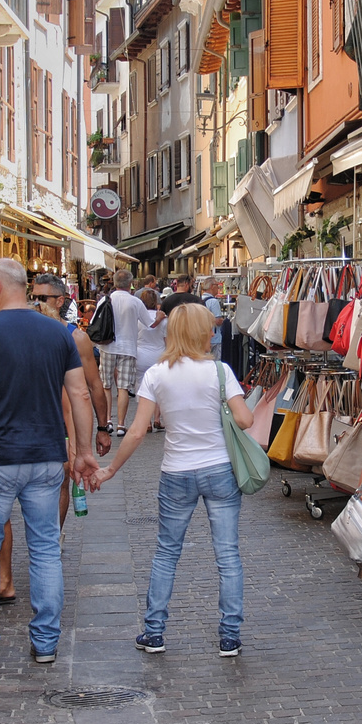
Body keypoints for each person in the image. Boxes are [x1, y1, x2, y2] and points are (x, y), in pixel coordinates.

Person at [0, 259, 98, 666]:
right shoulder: (58, 333)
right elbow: (80, 395)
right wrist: (83, 451)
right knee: (46, 549)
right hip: (47, 457)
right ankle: (46, 643)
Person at [96, 304, 253, 657]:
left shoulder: (157, 374)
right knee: (227, 554)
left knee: (166, 553)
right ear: (202, 332)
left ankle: (154, 633)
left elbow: (136, 432)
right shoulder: (221, 371)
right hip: (219, 469)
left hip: (176, 472)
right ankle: (229, 636)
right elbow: (244, 420)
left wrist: (112, 470)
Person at [0, 273, 114, 603]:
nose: (36, 303)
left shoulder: (75, 338)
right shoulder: (14, 332)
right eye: (34, 296)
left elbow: (89, 389)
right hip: (30, 432)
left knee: (57, 488)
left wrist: (101, 428)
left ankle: (49, 541)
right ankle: (28, 564)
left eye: (44, 298)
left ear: (60, 300)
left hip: (56, 429)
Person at [100, 269, 147, 436]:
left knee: (106, 386)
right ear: (130, 283)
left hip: (107, 346)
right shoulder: (135, 302)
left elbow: (94, 322)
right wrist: (161, 316)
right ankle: (121, 425)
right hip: (128, 348)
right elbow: (149, 323)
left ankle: (107, 421)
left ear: (114, 282)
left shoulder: (105, 300)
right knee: (123, 388)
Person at [134, 289, 167, 433]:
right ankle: (157, 419)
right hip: (158, 355)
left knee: (142, 387)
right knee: (159, 387)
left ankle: (146, 421)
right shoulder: (164, 320)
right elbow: (167, 341)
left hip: (140, 354)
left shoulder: (138, 318)